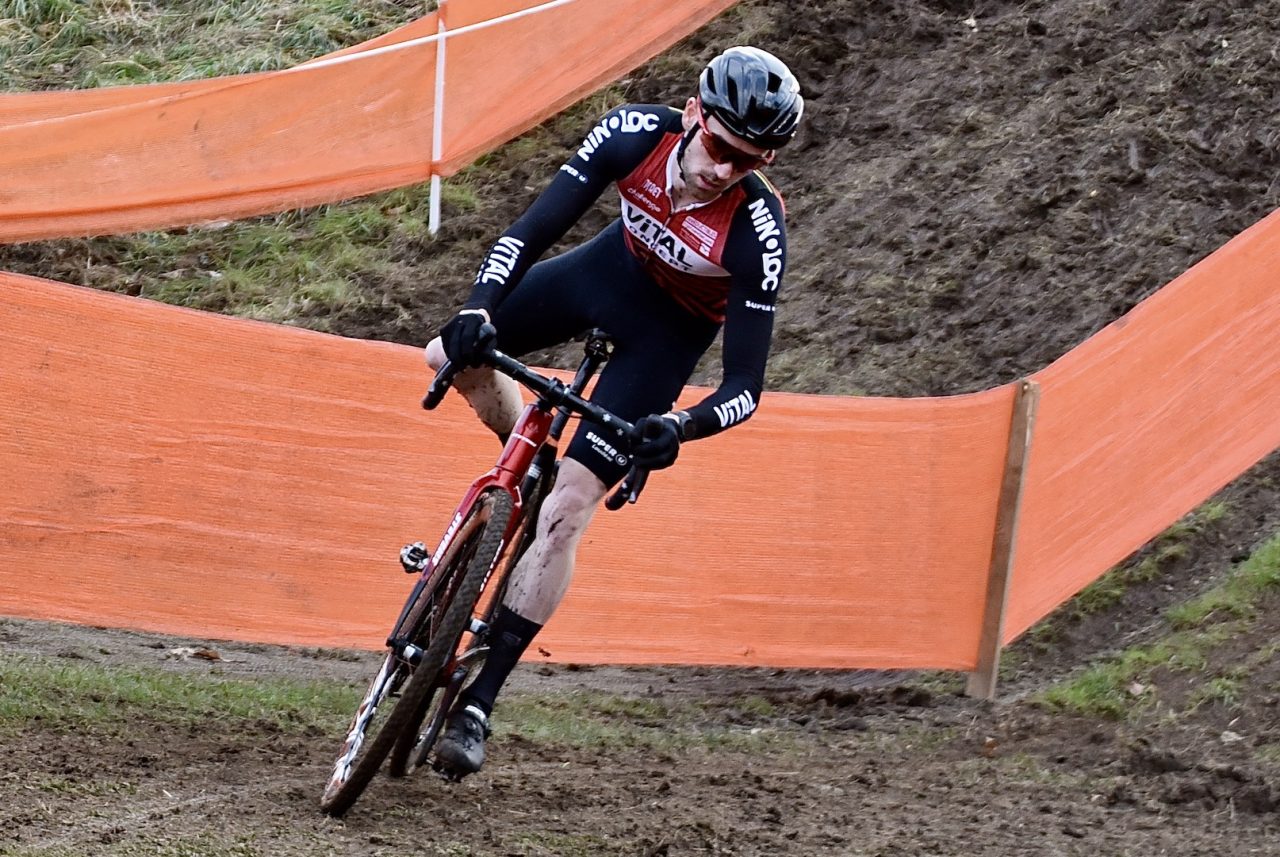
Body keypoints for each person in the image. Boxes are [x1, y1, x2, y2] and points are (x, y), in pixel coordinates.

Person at [423, 46, 803, 778]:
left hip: (666, 337)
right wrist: (478, 305)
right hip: (606, 271)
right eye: (721, 147)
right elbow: (527, 232)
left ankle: (480, 701)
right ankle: (524, 465)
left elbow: (747, 386)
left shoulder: (757, 231)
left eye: (747, 162)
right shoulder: (634, 133)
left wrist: (680, 426)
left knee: (569, 508)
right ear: (694, 115)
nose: (725, 170)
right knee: (445, 355)